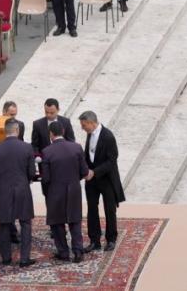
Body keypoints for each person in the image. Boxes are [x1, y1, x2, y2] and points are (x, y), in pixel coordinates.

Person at [0, 119, 37, 267]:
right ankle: (24, 258)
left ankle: (6, 258)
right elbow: (31, 172)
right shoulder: (27, 148)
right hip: (22, 189)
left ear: (5, 131)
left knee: (4, 225)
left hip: (4, 191)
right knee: (26, 224)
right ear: (17, 131)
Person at [41, 120, 89, 262]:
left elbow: (46, 178)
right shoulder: (76, 148)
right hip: (74, 190)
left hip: (55, 192)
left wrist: (48, 192)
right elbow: (84, 171)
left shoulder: (47, 152)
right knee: (75, 221)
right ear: (63, 131)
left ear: (51, 134)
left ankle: (63, 252)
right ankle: (78, 251)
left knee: (57, 223)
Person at [79, 110, 125, 253]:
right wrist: (85, 170)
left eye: (84, 125)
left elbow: (112, 161)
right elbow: (89, 154)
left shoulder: (108, 136)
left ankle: (111, 239)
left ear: (92, 123)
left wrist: (95, 172)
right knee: (92, 209)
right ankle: (94, 240)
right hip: (92, 181)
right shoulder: (89, 134)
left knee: (109, 210)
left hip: (107, 179)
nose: (82, 128)